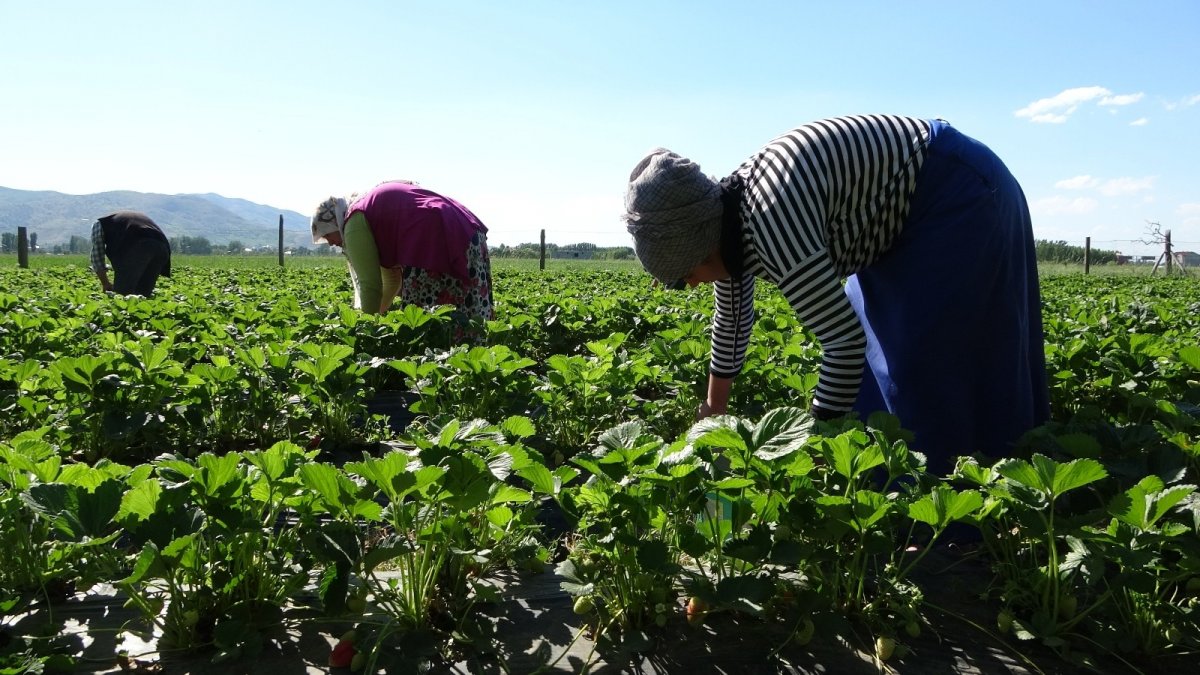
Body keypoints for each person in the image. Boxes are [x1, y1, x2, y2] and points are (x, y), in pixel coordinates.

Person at [623, 114, 1049, 474]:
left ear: (700, 245)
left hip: (954, 188)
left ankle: (956, 502)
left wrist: (812, 443)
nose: (691, 285)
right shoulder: (728, 222)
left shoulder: (771, 222)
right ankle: (884, 480)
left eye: (683, 276)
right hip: (893, 209)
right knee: (871, 376)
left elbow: (843, 343)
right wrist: (714, 410)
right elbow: (732, 321)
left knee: (924, 361)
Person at [310, 180, 494, 325]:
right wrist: (378, 315)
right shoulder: (366, 209)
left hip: (433, 243)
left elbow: (370, 286)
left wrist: (363, 328)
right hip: (466, 232)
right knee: (470, 315)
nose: (331, 243)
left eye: (327, 235)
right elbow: (391, 280)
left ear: (335, 223)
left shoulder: (353, 223)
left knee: (429, 324)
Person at [90, 210, 172, 296]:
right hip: (162, 247)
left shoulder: (99, 224)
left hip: (139, 245)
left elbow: (97, 255)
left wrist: (105, 283)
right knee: (143, 294)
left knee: (122, 294)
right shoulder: (123, 221)